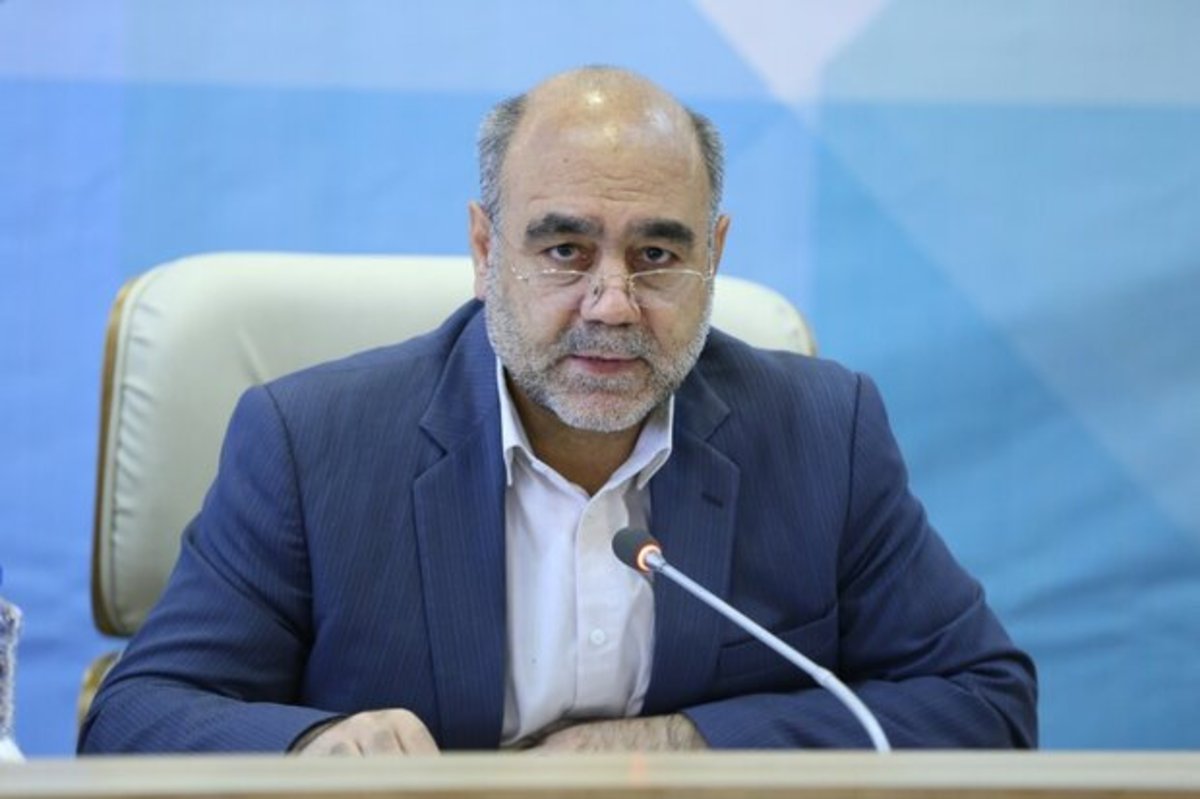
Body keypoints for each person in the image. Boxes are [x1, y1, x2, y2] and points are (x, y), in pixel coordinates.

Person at [79, 66, 1036, 755]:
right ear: (484, 249)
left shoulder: (824, 432)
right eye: (565, 251)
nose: (612, 303)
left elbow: (986, 703)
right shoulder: (310, 442)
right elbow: (132, 716)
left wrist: (685, 741)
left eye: (657, 256)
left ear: (713, 256)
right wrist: (313, 744)